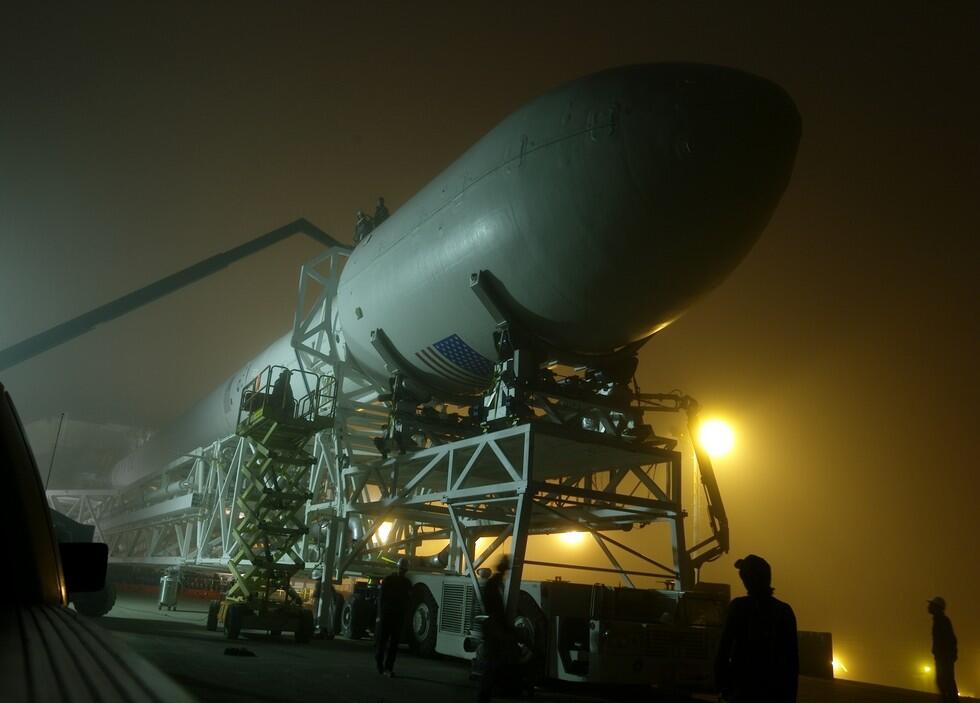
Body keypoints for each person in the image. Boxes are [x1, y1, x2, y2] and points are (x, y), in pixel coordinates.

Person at [715, 554, 798, 702]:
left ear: (746, 580)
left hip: (742, 691)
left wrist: (723, 687)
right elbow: (792, 662)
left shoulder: (738, 607)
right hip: (774, 693)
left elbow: (723, 650)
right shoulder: (784, 611)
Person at [478, 556, 517, 703]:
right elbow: (495, 611)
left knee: (492, 665)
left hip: (493, 629)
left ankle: (486, 695)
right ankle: (484, 696)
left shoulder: (494, 584)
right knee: (491, 666)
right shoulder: (495, 585)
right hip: (494, 630)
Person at [375, 557, 412, 677]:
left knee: (388, 643)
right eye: (402, 569)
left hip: (392, 616)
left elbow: (382, 598)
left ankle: (385, 667)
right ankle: (384, 667)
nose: (402, 571)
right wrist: (380, 615)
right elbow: (382, 598)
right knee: (386, 643)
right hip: (391, 616)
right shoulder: (402, 582)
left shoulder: (391, 580)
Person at [928, 596, 958, 702]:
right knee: (944, 682)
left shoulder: (942, 621)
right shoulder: (939, 620)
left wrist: (949, 656)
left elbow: (950, 640)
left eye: (931, 605)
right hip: (942, 657)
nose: (929, 607)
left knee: (946, 681)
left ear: (937, 607)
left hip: (944, 658)